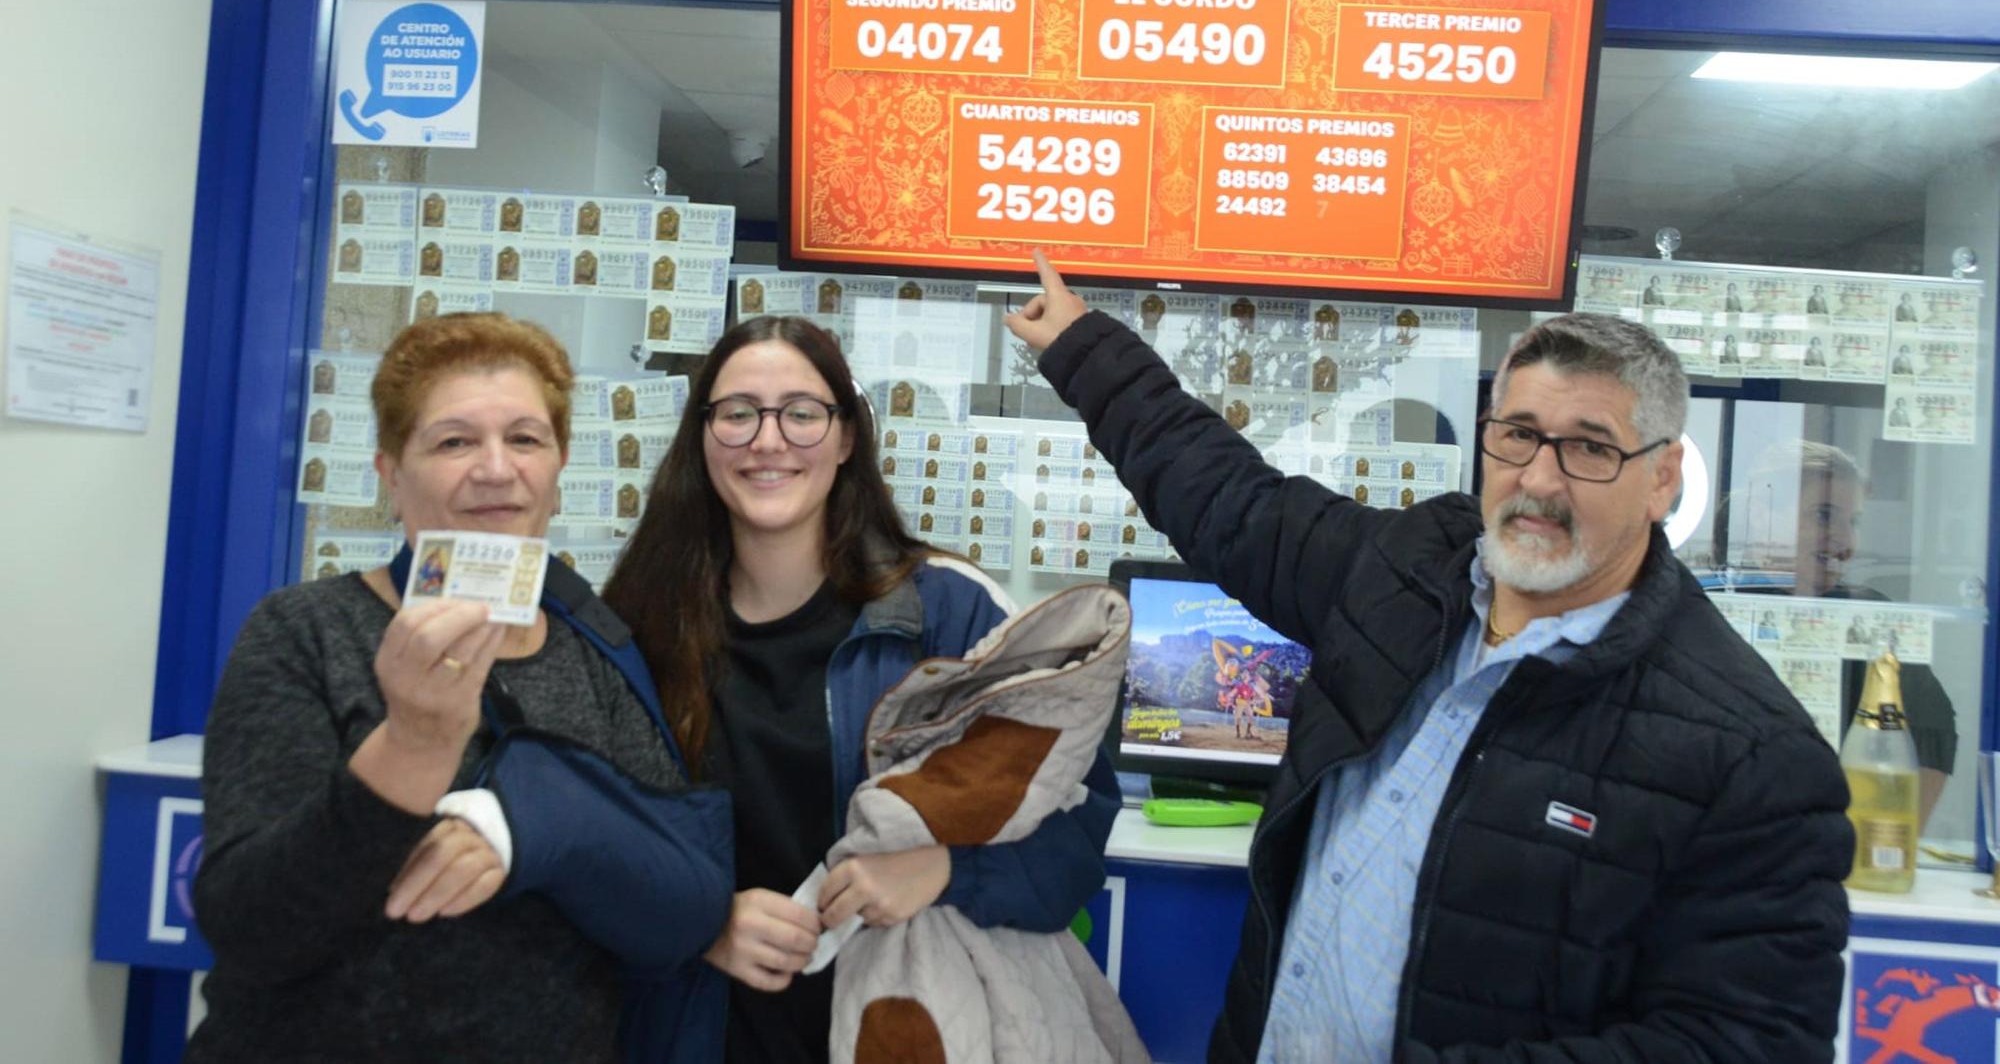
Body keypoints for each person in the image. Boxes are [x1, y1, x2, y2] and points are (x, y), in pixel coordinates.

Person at [1005, 250, 1850, 1063]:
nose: (1541, 480)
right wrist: (1086, 349)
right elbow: (1227, 497)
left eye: (1590, 447)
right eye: (1518, 433)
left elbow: (1743, 1042)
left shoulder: (1751, 752)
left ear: (1664, 478)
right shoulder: (1404, 572)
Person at [191, 313, 731, 1062]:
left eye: (525, 438)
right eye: (453, 441)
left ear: (558, 467)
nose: (496, 469)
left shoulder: (596, 651)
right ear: (392, 475)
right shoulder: (306, 631)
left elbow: (687, 911)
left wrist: (533, 826)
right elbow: (252, 926)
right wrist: (414, 745)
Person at [605, 314, 1118, 1063]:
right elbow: (592, 851)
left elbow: (1077, 838)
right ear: (703, 436)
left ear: (847, 438)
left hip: (905, 1027)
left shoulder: (947, 613)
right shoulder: (636, 626)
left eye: (803, 413)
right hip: (698, 1032)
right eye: (739, 412)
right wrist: (699, 922)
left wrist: (944, 869)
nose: (769, 439)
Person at [1727, 441, 1957, 824]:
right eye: (1823, 515)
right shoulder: (1713, 603)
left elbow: (1935, 734)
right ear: (1762, 510)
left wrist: (1878, 849)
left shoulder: (1871, 617)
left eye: (1854, 522)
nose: (1845, 541)